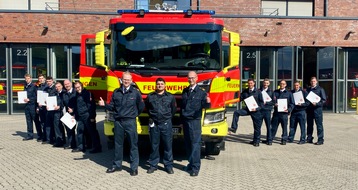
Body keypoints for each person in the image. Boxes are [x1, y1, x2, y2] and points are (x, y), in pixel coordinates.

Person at [99, 71, 144, 176]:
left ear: (131, 81)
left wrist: (134, 115)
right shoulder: (116, 92)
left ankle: (134, 168)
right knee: (118, 144)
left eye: (128, 79)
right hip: (118, 121)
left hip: (130, 121)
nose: (126, 81)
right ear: (121, 80)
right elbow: (112, 107)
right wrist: (104, 104)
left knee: (133, 145)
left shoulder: (136, 92)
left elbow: (141, 106)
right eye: (124, 79)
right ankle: (117, 165)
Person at [181, 71, 211, 177]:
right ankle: (190, 163)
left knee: (195, 144)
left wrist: (208, 102)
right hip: (185, 120)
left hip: (194, 121)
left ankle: (196, 167)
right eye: (189, 78)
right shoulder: (185, 91)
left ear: (197, 78)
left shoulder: (201, 92)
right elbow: (182, 107)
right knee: (188, 144)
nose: (191, 80)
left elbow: (206, 106)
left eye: (193, 78)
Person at [145, 78, 176, 174]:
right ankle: (153, 165)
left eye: (162, 84)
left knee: (168, 145)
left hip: (166, 123)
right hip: (154, 124)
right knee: (154, 145)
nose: (160, 85)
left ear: (165, 85)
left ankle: (168, 165)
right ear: (156, 85)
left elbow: (173, 109)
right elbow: (147, 108)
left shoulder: (170, 97)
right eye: (158, 84)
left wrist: (167, 118)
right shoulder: (150, 96)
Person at [230, 78, 263, 147]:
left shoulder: (258, 92)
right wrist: (232, 98)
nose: (250, 84)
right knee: (236, 112)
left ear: (254, 83)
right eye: (249, 83)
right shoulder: (245, 91)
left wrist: (256, 109)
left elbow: (262, 103)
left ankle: (256, 141)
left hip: (256, 111)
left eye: (251, 83)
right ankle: (234, 128)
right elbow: (240, 98)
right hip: (247, 110)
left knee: (257, 127)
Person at [68, 82, 92, 153]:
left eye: (78, 87)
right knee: (80, 131)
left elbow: (89, 105)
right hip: (80, 116)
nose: (77, 89)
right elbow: (77, 105)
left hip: (86, 115)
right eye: (76, 88)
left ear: (81, 86)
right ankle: (81, 147)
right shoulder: (76, 95)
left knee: (90, 131)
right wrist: (73, 111)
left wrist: (91, 115)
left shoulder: (87, 93)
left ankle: (94, 146)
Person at [270, 79, 294, 145]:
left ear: (285, 85)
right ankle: (270, 139)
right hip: (276, 113)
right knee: (273, 127)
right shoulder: (275, 92)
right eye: (281, 83)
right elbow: (272, 100)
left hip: (284, 114)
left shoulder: (289, 93)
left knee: (284, 128)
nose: (282, 85)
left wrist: (289, 110)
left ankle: (284, 140)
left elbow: (292, 103)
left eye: (283, 84)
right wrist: (274, 104)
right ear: (279, 84)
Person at [306, 77, 326, 145]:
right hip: (309, 110)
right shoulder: (308, 90)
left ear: (316, 82)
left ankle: (320, 140)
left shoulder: (320, 89)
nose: (312, 82)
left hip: (317, 110)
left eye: (314, 81)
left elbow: (324, 100)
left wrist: (317, 104)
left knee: (319, 125)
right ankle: (309, 138)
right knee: (309, 125)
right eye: (311, 81)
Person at [62, 79, 77, 150]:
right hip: (68, 114)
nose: (67, 85)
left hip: (77, 113)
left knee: (81, 130)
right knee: (69, 130)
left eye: (68, 83)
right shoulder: (64, 93)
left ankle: (86, 144)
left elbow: (79, 103)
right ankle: (72, 144)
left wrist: (73, 109)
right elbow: (63, 104)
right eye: (65, 84)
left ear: (71, 83)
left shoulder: (75, 92)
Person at [259, 78, 274, 145]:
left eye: (267, 83)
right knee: (258, 126)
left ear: (269, 84)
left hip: (267, 111)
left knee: (268, 126)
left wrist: (267, 102)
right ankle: (257, 139)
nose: (265, 84)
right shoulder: (259, 91)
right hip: (260, 110)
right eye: (265, 83)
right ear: (263, 83)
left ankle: (269, 140)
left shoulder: (271, 92)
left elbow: (273, 102)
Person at [22, 74, 37, 141]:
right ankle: (30, 135)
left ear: (31, 79)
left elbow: (37, 97)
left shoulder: (34, 86)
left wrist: (30, 99)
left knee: (36, 121)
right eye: (26, 78)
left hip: (33, 106)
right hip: (27, 106)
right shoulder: (25, 86)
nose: (27, 80)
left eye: (28, 78)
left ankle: (40, 135)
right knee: (28, 121)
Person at [42, 76, 57, 144]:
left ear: (52, 81)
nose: (48, 83)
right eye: (47, 81)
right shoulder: (46, 89)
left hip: (54, 109)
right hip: (47, 109)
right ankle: (48, 139)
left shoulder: (55, 88)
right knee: (48, 124)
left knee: (55, 125)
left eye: (49, 81)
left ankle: (56, 139)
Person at [34, 74, 46, 142]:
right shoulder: (37, 86)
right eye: (39, 78)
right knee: (41, 122)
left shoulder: (46, 86)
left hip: (45, 107)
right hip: (39, 106)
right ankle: (42, 136)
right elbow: (36, 96)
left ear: (44, 79)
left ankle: (46, 136)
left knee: (45, 122)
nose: (41, 79)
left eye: (42, 78)